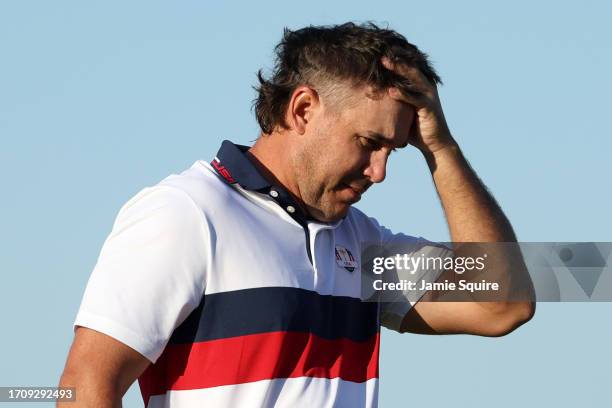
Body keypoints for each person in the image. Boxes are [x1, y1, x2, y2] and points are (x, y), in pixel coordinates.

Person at [59, 22, 535, 407]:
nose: (379, 171)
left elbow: (502, 303)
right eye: (370, 143)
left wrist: (441, 148)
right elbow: (85, 388)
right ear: (304, 109)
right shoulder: (187, 213)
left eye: (395, 149)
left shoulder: (365, 249)